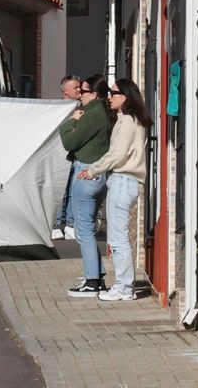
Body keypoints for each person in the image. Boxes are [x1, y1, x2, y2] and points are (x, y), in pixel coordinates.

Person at [77, 78, 151, 301]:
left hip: (123, 180)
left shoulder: (128, 120)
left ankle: (124, 287)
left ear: (125, 96)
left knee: (118, 238)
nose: (109, 96)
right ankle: (123, 285)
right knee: (117, 236)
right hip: (121, 181)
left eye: (114, 92)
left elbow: (118, 154)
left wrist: (93, 170)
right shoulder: (125, 119)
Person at [59, 74, 115, 297]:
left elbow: (70, 142)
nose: (78, 94)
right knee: (87, 226)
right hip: (99, 173)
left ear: (94, 94)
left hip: (87, 172)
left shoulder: (93, 114)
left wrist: (71, 122)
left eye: (82, 91)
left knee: (83, 229)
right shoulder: (104, 113)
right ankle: (95, 273)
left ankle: (93, 281)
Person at [53, 74, 83, 240]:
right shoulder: (57, 110)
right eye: (76, 87)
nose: (79, 90)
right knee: (60, 192)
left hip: (76, 154)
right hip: (60, 155)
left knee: (73, 189)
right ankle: (56, 224)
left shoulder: (82, 108)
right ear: (66, 91)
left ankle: (70, 224)